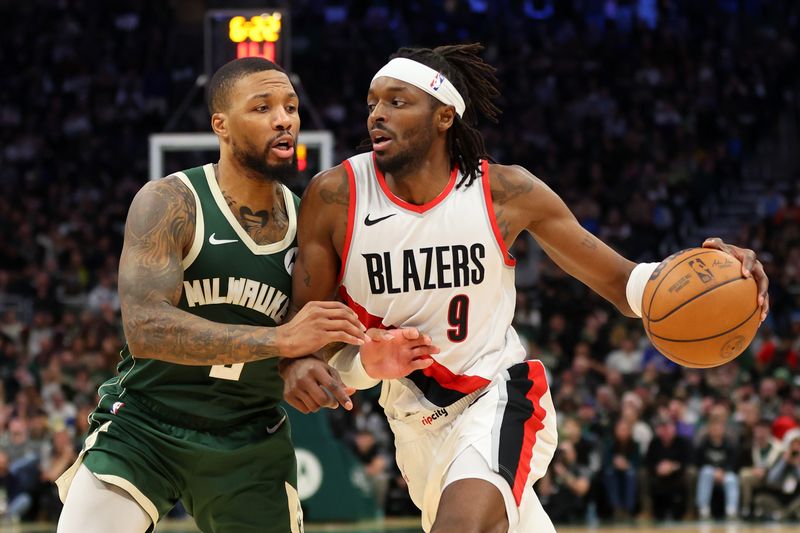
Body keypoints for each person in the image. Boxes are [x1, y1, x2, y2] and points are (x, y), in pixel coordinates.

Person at [279, 44, 770, 532]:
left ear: (445, 115)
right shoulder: (335, 196)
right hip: (413, 426)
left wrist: (710, 270)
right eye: (372, 104)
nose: (376, 116)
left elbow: (625, 286)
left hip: (499, 396)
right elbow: (308, 343)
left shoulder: (505, 192)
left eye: (397, 102)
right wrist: (354, 364)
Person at [54, 57, 369, 533]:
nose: (283, 119)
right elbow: (146, 329)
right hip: (146, 425)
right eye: (262, 107)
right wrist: (280, 343)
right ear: (220, 124)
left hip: (250, 437)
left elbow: (313, 334)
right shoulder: (170, 201)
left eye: (290, 107)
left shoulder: (312, 226)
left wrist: (305, 360)